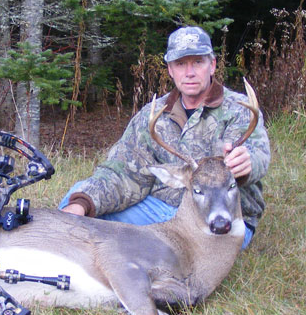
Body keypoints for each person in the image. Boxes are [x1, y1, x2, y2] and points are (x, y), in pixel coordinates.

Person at [59, 26, 270, 249]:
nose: (189, 72)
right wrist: (83, 203)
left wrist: (247, 164)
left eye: (198, 62)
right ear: (170, 69)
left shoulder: (239, 110)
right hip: (161, 211)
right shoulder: (152, 117)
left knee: (155, 251)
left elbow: (258, 154)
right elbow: (122, 172)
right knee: (74, 203)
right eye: (181, 64)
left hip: (223, 216)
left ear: (212, 65)